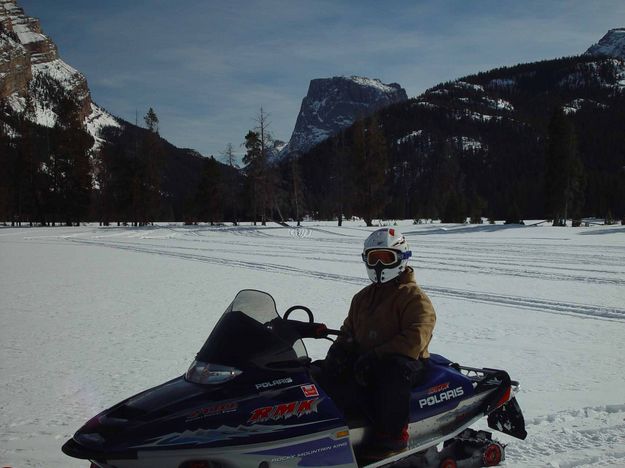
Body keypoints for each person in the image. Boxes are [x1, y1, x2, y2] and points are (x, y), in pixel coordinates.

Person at [323, 227, 436, 460]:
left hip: (407, 363)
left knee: (392, 372)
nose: (379, 265)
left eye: (386, 258)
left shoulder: (414, 297)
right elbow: (348, 330)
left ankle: (393, 439)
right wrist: (339, 350)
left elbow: (415, 339)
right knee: (321, 372)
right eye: (374, 258)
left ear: (401, 259)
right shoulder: (362, 298)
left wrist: (376, 356)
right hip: (368, 359)